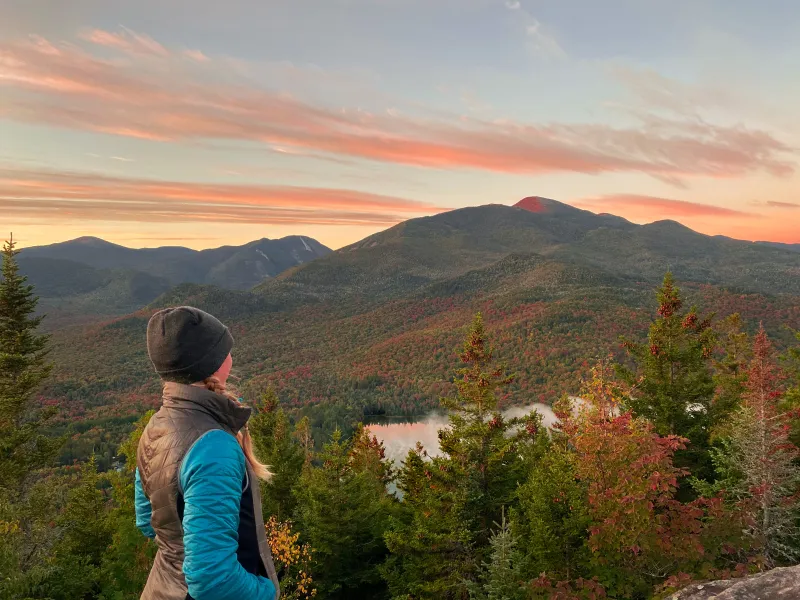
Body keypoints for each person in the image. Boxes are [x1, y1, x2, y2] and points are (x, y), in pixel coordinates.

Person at [134, 306, 280, 600]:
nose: (231, 355)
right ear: (213, 362)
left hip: (161, 588)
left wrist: (182, 550)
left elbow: (147, 521)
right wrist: (267, 592)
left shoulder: (156, 427)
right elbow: (213, 580)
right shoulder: (214, 447)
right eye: (226, 348)